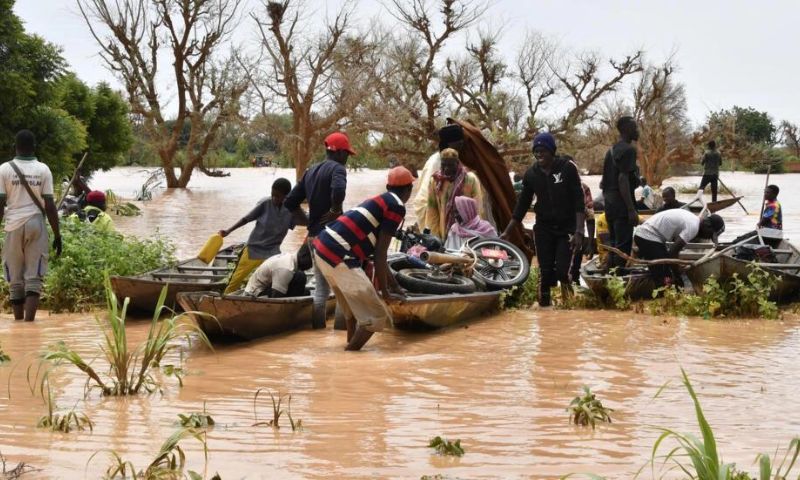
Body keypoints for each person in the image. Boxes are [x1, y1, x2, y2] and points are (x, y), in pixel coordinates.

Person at [313, 167, 414, 351]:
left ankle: (350, 355)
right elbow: (381, 254)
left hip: (322, 249)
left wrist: (394, 286)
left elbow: (377, 255)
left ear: (388, 186)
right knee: (376, 316)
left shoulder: (380, 200)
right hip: (339, 254)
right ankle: (349, 357)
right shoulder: (397, 206)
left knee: (353, 311)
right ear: (409, 190)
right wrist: (386, 292)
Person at [501, 132, 585, 307]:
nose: (539, 154)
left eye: (543, 150)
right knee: (545, 273)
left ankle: (569, 307)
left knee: (563, 272)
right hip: (544, 229)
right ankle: (544, 312)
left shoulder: (567, 168)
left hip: (566, 228)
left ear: (552, 151)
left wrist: (579, 231)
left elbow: (579, 201)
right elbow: (522, 205)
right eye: (536, 151)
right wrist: (508, 231)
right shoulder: (531, 174)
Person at [283, 132, 354, 328]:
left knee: (321, 289)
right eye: (346, 153)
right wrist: (335, 210)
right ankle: (341, 336)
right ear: (339, 153)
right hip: (333, 236)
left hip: (313, 236)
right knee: (341, 288)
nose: (347, 158)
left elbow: (290, 201)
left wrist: (307, 220)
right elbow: (339, 190)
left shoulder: (311, 171)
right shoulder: (338, 169)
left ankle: (318, 332)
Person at [0, 130, 62, 321]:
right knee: (34, 277)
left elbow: (0, 205)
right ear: (34, 147)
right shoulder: (43, 169)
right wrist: (57, 235)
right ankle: (29, 324)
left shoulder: (4, 169)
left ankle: (19, 324)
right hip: (36, 223)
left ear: (15, 147)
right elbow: (50, 206)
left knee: (15, 280)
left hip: (13, 226)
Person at [220, 178, 299, 293]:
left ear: (286, 196)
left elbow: (304, 221)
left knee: (275, 280)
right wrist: (228, 231)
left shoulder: (291, 209)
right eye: (273, 195)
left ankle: (265, 299)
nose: (274, 198)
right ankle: (225, 298)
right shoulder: (265, 203)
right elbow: (246, 219)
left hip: (273, 252)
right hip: (254, 249)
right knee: (236, 280)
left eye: (278, 196)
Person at [634, 210, 725, 286]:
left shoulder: (693, 220)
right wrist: (677, 275)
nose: (708, 238)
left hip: (648, 236)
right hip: (648, 236)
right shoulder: (693, 227)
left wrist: (676, 266)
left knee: (665, 266)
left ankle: (641, 254)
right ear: (707, 225)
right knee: (667, 279)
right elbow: (673, 252)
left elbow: (673, 251)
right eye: (710, 235)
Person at [600, 116, 640, 270]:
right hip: (622, 206)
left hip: (610, 205)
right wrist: (631, 209)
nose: (637, 131)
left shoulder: (611, 151)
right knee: (623, 247)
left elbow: (603, 182)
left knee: (614, 244)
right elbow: (622, 179)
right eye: (635, 127)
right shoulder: (629, 150)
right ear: (627, 130)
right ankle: (618, 280)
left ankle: (610, 279)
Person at [422, 148, 483, 240]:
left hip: (467, 232)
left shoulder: (470, 179)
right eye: (444, 165)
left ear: (457, 163)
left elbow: (477, 208)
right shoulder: (435, 181)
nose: (446, 168)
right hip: (444, 232)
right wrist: (435, 235)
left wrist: (474, 233)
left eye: (451, 165)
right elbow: (432, 210)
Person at [243, 243, 313, 298]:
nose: (311, 266)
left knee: (305, 292)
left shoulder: (290, 258)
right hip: (254, 294)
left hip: (265, 289)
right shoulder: (286, 267)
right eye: (312, 261)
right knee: (300, 276)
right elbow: (276, 297)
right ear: (304, 256)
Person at [570, 181, 596, 284]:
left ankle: (574, 283)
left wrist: (590, 244)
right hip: (560, 233)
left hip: (577, 234)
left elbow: (590, 217)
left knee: (575, 270)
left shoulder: (584, 188)